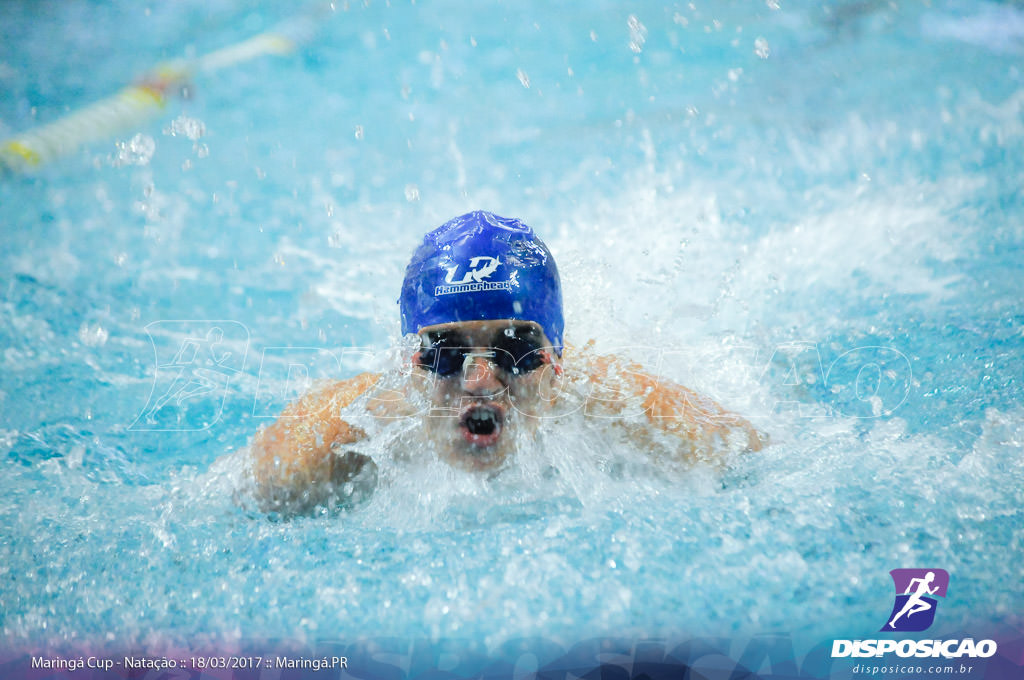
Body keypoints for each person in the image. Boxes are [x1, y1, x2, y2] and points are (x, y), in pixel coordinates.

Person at [245, 211, 764, 513]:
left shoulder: (623, 406)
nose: (480, 380)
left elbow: (760, 461)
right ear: (410, 363)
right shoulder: (336, 437)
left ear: (556, 358)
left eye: (514, 346)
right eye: (445, 352)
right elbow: (238, 497)